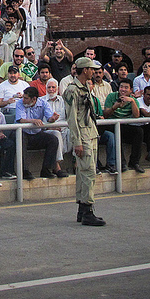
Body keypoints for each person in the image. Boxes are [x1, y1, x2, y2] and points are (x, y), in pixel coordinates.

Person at [62, 57, 105, 226]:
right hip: (83, 135)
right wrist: (77, 141)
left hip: (90, 132)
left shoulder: (85, 87)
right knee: (88, 173)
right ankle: (87, 209)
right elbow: (72, 119)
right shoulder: (73, 90)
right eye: (91, 69)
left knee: (84, 172)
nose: (93, 72)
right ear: (84, 70)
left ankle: (82, 208)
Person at [15, 86, 64, 180]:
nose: (23, 100)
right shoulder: (19, 103)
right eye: (23, 97)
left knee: (53, 139)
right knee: (21, 139)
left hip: (36, 134)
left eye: (26, 98)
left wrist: (52, 119)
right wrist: (33, 120)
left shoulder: (43, 103)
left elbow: (49, 118)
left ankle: (46, 170)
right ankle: (24, 171)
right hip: (22, 132)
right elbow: (20, 119)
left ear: (34, 99)